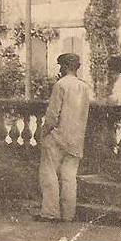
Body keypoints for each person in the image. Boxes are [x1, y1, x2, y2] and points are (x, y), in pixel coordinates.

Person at [36, 53, 92, 223]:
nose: (59, 69)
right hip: (76, 137)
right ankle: (68, 215)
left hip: (58, 137)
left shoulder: (60, 85)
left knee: (49, 173)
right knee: (69, 177)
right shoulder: (84, 87)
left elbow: (52, 115)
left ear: (65, 66)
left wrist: (43, 133)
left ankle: (50, 213)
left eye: (61, 66)